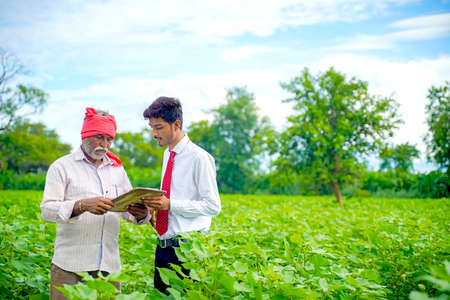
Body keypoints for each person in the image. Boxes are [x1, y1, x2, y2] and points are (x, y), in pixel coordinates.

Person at [41, 107, 150, 300]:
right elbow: (47, 210)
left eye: (109, 139)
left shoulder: (117, 169)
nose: (104, 144)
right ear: (85, 135)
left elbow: (128, 212)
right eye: (99, 137)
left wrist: (140, 213)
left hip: (108, 267)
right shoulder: (62, 167)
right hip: (69, 267)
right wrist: (82, 205)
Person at [141, 96, 221, 294]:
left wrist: (170, 205)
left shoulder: (199, 157)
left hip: (188, 250)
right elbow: (171, 196)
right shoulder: (168, 153)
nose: (153, 133)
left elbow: (213, 206)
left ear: (176, 125)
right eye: (152, 127)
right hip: (163, 247)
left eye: (158, 127)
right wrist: (155, 209)